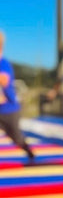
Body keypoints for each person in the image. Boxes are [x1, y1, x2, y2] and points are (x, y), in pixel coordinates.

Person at [0, 30, 35, 164]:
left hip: (9, 110)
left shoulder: (4, 63)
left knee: (16, 138)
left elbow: (4, 80)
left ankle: (29, 152)